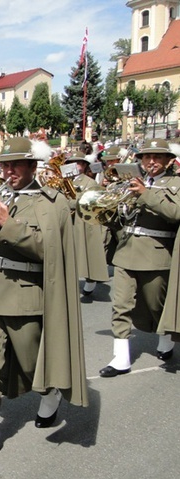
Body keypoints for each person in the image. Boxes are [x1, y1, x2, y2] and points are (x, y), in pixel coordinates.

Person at [0, 137, 87, 466]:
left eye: (15, 164)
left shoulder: (52, 202)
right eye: (3, 165)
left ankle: (50, 392)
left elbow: (51, 252)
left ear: (33, 166)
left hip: (26, 298)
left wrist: (8, 224)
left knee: (34, 367)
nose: (8, 171)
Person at [100, 139, 180, 377]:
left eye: (156, 157)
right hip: (127, 250)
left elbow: (176, 213)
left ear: (168, 160)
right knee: (120, 306)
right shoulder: (131, 182)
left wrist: (146, 194)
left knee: (156, 305)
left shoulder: (175, 183)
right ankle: (120, 358)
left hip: (157, 253)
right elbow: (121, 216)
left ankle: (165, 336)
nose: (151, 162)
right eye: (146, 157)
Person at [65, 152, 109, 296]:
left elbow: (89, 201)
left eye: (78, 163)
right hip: (67, 221)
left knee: (85, 252)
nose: (75, 166)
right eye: (72, 163)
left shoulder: (89, 182)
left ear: (84, 166)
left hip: (82, 221)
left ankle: (90, 279)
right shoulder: (65, 180)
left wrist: (68, 202)